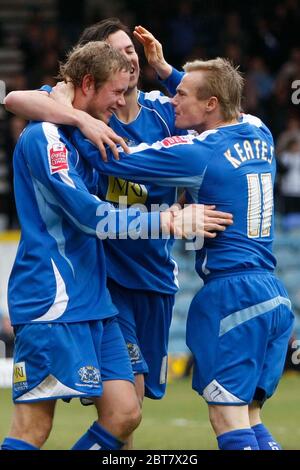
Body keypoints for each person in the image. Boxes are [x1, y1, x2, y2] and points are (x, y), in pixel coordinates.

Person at [4, 18, 233, 445]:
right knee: (34, 426)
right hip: (57, 295)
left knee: (126, 412)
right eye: (115, 91)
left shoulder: (128, 117)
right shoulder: (50, 135)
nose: (121, 99)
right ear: (89, 82)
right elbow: (91, 217)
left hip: (102, 295)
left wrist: (166, 72)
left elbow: (215, 109)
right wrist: (168, 220)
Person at [70, 57, 294, 451]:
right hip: (273, 296)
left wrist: (80, 120)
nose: (172, 99)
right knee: (250, 415)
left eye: (181, 94)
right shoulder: (259, 130)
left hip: (232, 294)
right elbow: (223, 95)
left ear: (210, 105)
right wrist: (169, 70)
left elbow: (114, 158)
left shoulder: (198, 152)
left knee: (227, 418)